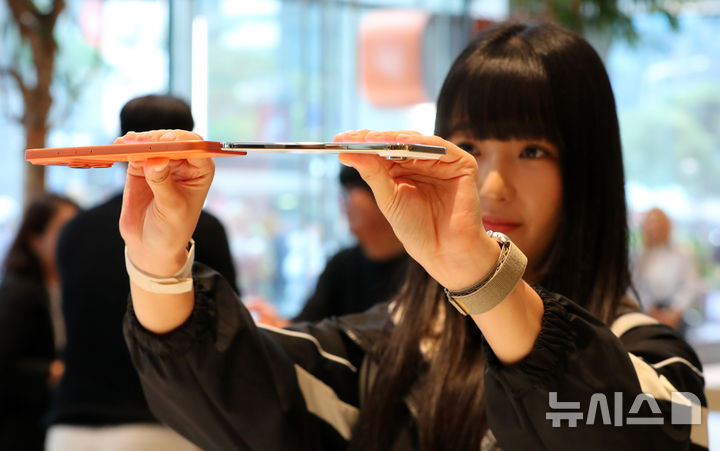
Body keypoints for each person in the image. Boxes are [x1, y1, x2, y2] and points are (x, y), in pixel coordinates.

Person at [119, 22, 707, 450]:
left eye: (533, 150)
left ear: (587, 173)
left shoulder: (651, 361)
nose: (493, 184)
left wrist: (486, 280)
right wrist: (158, 266)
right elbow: (244, 392)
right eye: (469, 147)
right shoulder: (392, 349)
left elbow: (650, 429)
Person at [45, 94, 237, 450]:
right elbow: (226, 328)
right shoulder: (204, 229)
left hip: (71, 428)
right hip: (165, 426)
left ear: (121, 141)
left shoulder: (75, 229)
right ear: (190, 141)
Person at [249, 166, 409, 326]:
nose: (344, 204)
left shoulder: (419, 265)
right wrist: (280, 326)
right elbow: (309, 323)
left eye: (351, 192)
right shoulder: (341, 264)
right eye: (344, 194)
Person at [0, 194, 78, 451]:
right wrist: (52, 372)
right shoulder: (18, 292)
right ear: (35, 239)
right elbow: (6, 365)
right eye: (64, 230)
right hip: (22, 425)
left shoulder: (65, 285)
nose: (72, 239)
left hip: (53, 416)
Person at [633, 207, 699, 331]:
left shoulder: (682, 252)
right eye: (651, 223)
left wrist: (675, 312)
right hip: (648, 312)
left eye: (658, 223)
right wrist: (650, 309)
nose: (654, 227)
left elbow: (690, 284)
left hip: (676, 315)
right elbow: (634, 285)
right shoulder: (639, 254)